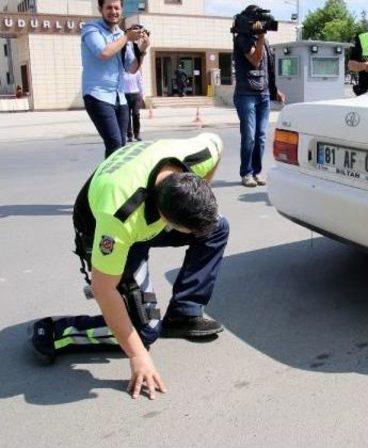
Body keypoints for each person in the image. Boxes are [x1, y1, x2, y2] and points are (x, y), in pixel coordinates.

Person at [29, 133, 229, 400]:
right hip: (101, 230)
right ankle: (56, 331)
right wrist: (137, 355)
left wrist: (203, 193)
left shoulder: (197, 154)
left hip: (147, 215)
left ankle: (184, 312)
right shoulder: (119, 216)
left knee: (216, 227)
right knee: (144, 333)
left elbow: (217, 141)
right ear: (166, 219)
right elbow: (103, 289)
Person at [82, 0, 150, 157]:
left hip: (120, 98)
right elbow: (103, 53)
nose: (113, 11)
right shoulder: (91, 29)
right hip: (97, 95)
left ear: (121, 10)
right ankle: (106, 181)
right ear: (100, 9)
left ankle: (107, 180)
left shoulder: (120, 35)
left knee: (120, 146)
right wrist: (126, 37)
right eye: (109, 7)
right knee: (115, 144)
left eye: (116, 8)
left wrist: (143, 49)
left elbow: (132, 68)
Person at [232, 4, 285, 188]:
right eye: (258, 20)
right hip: (246, 94)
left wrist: (275, 90)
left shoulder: (265, 42)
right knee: (249, 136)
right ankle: (246, 173)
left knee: (261, 136)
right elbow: (255, 61)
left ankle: (256, 172)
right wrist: (261, 37)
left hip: (263, 94)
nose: (262, 25)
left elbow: (268, 67)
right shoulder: (242, 39)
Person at [124, 70, 144, 142]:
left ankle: (137, 134)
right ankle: (129, 135)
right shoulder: (122, 71)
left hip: (135, 94)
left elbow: (140, 83)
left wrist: (142, 95)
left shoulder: (136, 71)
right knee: (127, 116)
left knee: (136, 114)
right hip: (125, 95)